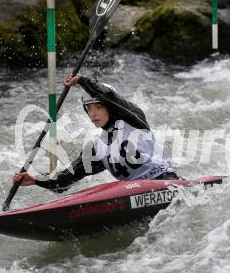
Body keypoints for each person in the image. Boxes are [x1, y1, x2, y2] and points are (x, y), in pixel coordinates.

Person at [13, 74, 180, 192]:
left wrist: (82, 81)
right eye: (89, 108)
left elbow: (107, 95)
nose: (93, 114)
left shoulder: (134, 119)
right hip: (132, 192)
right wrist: (36, 179)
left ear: (110, 106)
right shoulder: (97, 148)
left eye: (99, 107)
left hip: (165, 181)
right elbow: (66, 179)